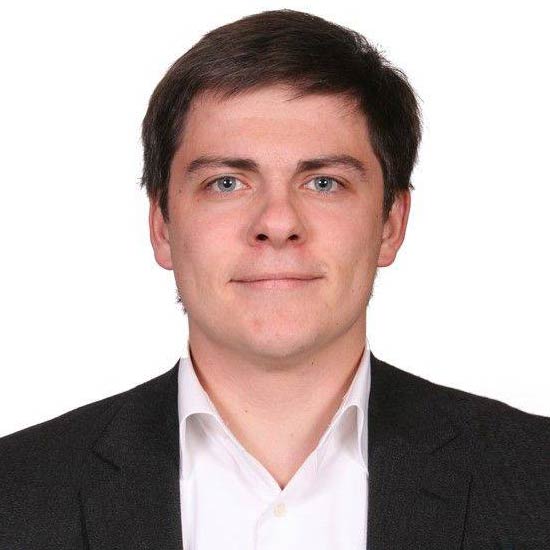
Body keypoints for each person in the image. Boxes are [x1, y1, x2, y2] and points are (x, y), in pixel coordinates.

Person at [1, 8, 549, 550]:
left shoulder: (535, 480)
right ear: (161, 226)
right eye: (226, 182)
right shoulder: (15, 493)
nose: (278, 223)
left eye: (324, 182)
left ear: (390, 224)